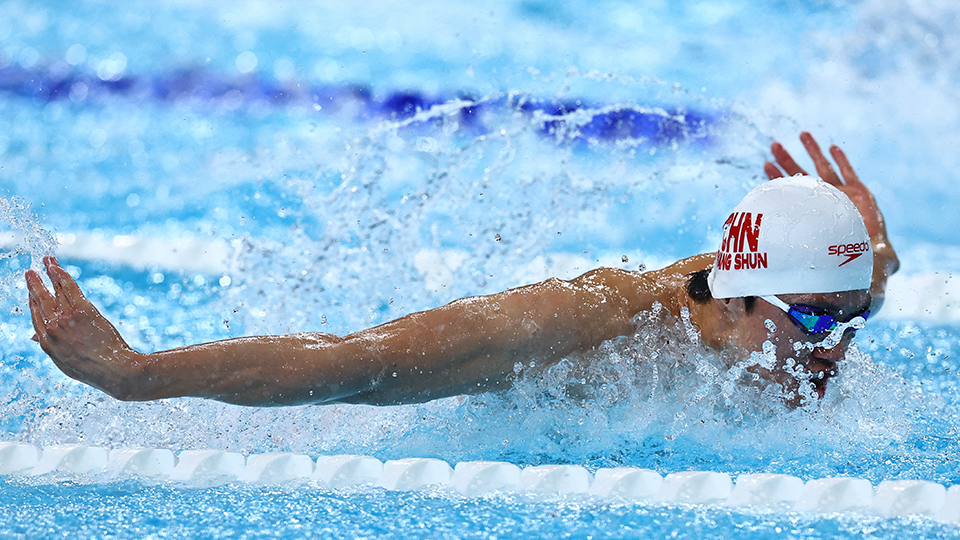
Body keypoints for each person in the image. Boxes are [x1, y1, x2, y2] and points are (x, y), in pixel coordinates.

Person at [25, 132, 899, 407]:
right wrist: (137, 376)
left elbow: (859, 282)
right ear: (741, 296)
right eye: (819, 321)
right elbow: (352, 363)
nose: (839, 350)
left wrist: (874, 254)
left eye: (855, 320)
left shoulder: (799, 306)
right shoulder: (589, 320)